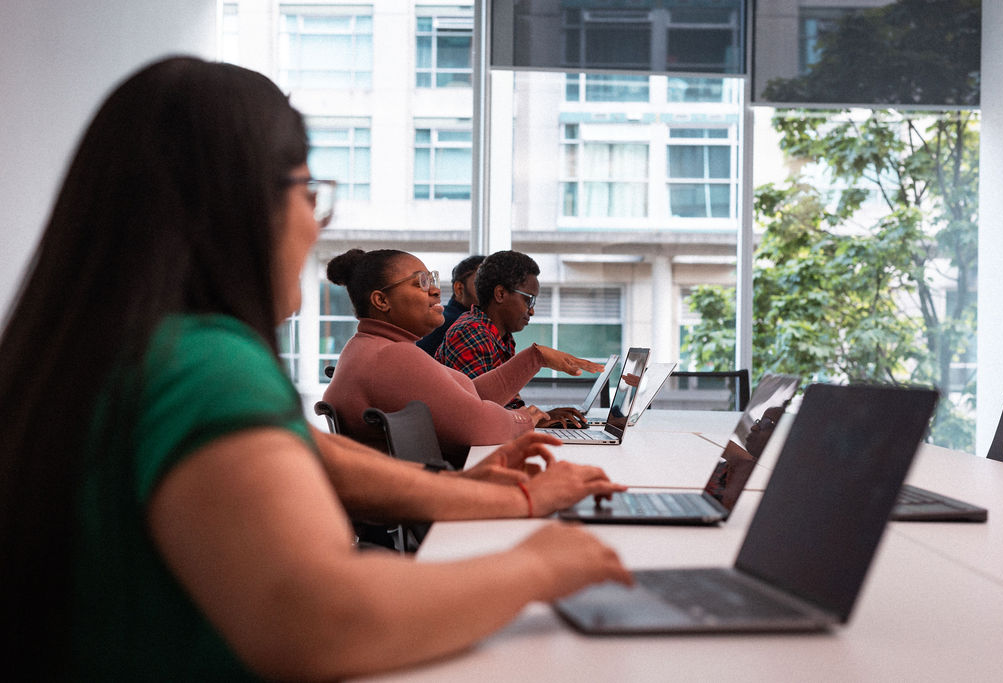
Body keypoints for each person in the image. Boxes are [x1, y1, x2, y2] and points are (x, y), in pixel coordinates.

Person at [0, 56, 631, 680]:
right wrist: (540, 567)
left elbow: (316, 459)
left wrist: (501, 494)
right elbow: (322, 619)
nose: (314, 221)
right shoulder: (205, 361)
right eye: (308, 192)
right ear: (238, 202)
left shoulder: (114, 348)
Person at [321, 248, 603, 464]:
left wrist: (536, 357)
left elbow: (472, 395)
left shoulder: (369, 347)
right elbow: (479, 424)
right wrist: (527, 418)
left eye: (432, 278)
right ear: (381, 301)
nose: (434, 289)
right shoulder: (392, 355)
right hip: (429, 505)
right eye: (420, 282)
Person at [435, 250, 588, 427]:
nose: (531, 311)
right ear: (500, 294)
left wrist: (542, 417)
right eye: (528, 300)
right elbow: (477, 414)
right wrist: (537, 358)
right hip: (466, 451)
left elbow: (505, 404)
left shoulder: (502, 337)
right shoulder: (472, 332)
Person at [416, 254, 484, 356]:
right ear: (459, 288)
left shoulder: (446, 316)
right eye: (481, 283)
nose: (491, 291)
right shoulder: (462, 326)